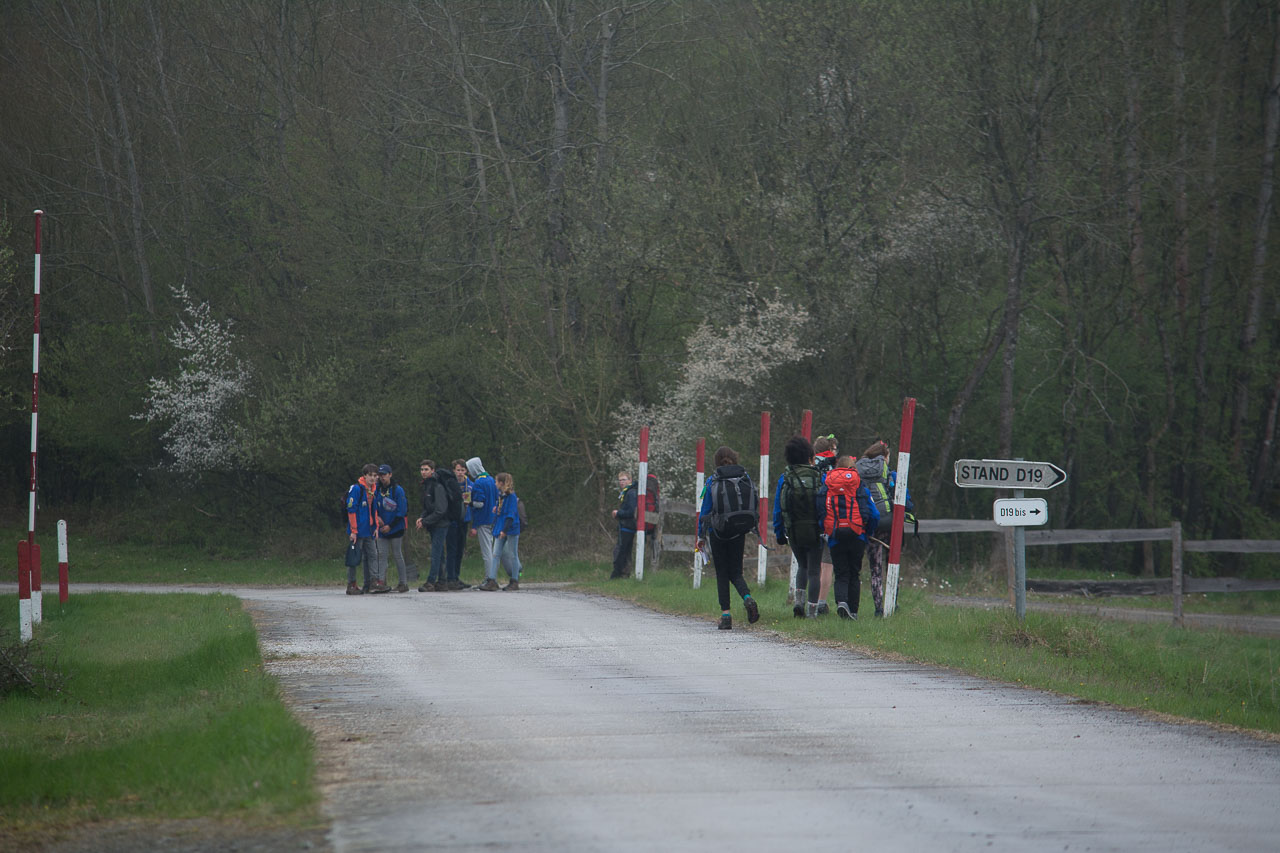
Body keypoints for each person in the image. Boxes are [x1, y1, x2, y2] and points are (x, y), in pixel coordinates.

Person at [696, 445, 761, 630]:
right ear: (735, 458)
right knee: (736, 572)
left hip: (718, 532)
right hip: (739, 531)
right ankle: (748, 598)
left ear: (716, 462)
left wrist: (701, 535)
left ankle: (726, 616)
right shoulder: (745, 478)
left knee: (722, 573)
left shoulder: (712, 481)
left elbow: (705, 510)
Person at [772, 435, 826, 618]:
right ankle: (812, 611)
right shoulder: (820, 477)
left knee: (802, 566)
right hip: (816, 532)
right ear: (810, 457)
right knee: (814, 570)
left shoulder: (785, 478)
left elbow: (778, 508)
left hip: (794, 531)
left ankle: (798, 603)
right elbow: (824, 506)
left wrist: (779, 532)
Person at [823, 455, 879, 619]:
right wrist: (868, 531)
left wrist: (826, 528)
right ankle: (853, 611)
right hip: (857, 535)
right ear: (853, 468)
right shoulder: (860, 486)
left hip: (835, 536)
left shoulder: (828, 484)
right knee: (854, 573)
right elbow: (874, 514)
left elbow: (821, 509)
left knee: (841, 573)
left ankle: (842, 602)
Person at [856, 441, 894, 616]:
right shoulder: (887, 471)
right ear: (884, 456)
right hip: (888, 520)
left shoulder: (858, 468)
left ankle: (878, 608)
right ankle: (892, 604)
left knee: (875, 569)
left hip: (870, 522)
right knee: (892, 565)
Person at [346, 463, 390, 594]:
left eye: (375, 476)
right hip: (358, 530)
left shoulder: (374, 490)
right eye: (370, 475)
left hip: (369, 530)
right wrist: (353, 531)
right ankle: (351, 584)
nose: (373, 478)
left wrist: (375, 526)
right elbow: (351, 510)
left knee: (373, 555)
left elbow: (374, 509)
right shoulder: (357, 489)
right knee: (354, 557)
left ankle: (373, 583)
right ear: (364, 476)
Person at [812, 434, 840, 614]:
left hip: (811, 520)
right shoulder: (836, 469)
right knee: (827, 565)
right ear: (830, 450)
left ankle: (810, 601)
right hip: (830, 520)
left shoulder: (810, 466)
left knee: (812, 565)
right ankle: (821, 603)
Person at [376, 464, 412, 593]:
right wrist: (377, 517)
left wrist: (390, 526)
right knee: (381, 555)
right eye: (380, 475)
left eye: (385, 475)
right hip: (381, 529)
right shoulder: (377, 489)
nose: (382, 478)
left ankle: (403, 583)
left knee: (397, 555)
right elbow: (373, 506)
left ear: (390, 474)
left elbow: (402, 511)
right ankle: (381, 582)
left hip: (396, 528)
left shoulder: (397, 490)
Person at [415, 459, 451, 591]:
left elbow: (440, 510)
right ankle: (442, 581)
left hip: (441, 524)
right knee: (439, 553)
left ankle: (430, 581)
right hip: (433, 523)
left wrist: (425, 521)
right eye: (422, 469)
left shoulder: (437, 486)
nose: (423, 472)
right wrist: (422, 517)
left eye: (426, 469)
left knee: (436, 553)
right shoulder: (427, 485)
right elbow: (428, 506)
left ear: (432, 470)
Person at [467, 456, 501, 591]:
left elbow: (479, 503)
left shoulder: (478, 483)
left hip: (483, 519)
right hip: (494, 519)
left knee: (487, 552)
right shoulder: (492, 480)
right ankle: (491, 577)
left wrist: (469, 502)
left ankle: (490, 579)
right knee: (493, 549)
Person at [492, 472, 523, 590]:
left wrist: (504, 530)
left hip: (510, 529)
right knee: (496, 554)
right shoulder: (501, 496)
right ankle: (491, 580)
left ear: (501, 483)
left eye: (496, 481)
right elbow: (502, 512)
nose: (495, 484)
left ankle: (515, 580)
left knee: (513, 555)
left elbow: (510, 515)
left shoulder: (511, 497)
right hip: (501, 527)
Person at [445, 459, 472, 590]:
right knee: (452, 549)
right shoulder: (450, 483)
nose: (460, 473)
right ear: (454, 471)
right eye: (458, 470)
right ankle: (450, 577)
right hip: (453, 520)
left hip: (464, 519)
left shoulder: (470, 484)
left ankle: (456, 576)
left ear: (466, 471)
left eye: (462, 470)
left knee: (460, 549)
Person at [610, 470, 638, 579]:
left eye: (624, 480)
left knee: (620, 551)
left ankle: (616, 575)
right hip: (626, 526)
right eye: (620, 480)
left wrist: (618, 513)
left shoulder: (631, 493)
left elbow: (631, 511)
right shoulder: (627, 492)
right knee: (625, 551)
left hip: (628, 526)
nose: (621, 482)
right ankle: (624, 574)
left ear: (630, 480)